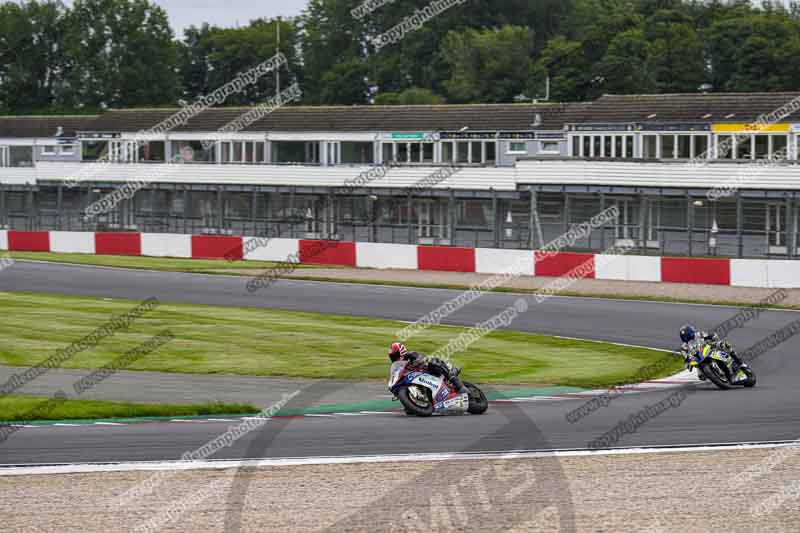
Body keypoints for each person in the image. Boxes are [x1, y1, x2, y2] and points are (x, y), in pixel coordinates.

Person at [388, 342, 468, 394]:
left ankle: (458, 384)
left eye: (394, 355)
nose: (394, 358)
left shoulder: (411, 355)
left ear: (401, 352)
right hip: (422, 381)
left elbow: (423, 358)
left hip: (432, 372)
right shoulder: (398, 367)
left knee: (433, 363)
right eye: (392, 356)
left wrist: (417, 361)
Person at [679, 324, 746, 376]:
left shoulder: (699, 334)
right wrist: (688, 362)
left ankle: (739, 362)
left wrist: (712, 338)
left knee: (725, 344)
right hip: (699, 359)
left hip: (709, 348)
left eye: (688, 335)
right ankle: (714, 374)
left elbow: (712, 335)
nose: (687, 337)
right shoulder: (684, 347)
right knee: (701, 376)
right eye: (685, 337)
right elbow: (686, 358)